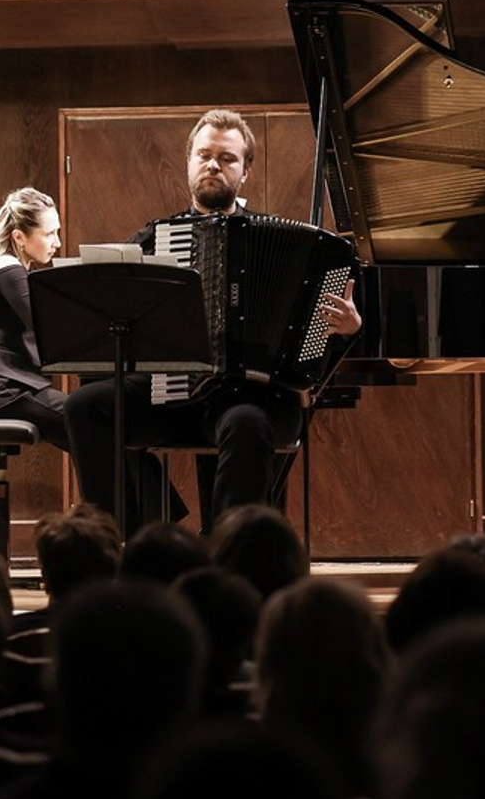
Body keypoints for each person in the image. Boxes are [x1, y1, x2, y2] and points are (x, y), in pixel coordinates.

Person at [64, 109, 360, 529]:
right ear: (189, 161)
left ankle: (231, 556)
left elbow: (315, 348)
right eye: (204, 155)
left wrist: (348, 329)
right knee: (84, 406)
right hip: (170, 396)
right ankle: (114, 541)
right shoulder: (155, 238)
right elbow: (109, 313)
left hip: (248, 396)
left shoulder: (291, 247)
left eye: (227, 158)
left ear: (246, 171)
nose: (213, 165)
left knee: (245, 423)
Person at [0, 187, 70, 450]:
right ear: (19, 236)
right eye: (50, 233)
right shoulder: (7, 267)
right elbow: (46, 324)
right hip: (7, 391)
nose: (58, 243)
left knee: (88, 440)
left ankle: (109, 491)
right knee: (88, 418)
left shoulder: (3, 267)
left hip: (4, 390)